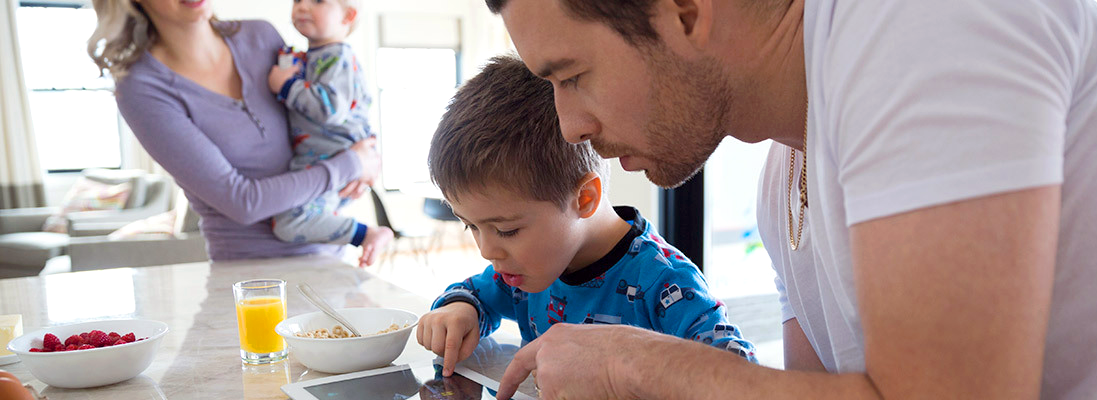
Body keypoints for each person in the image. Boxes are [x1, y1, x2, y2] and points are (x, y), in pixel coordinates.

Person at [486, 0, 1097, 399]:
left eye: (571, 76)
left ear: (683, 9)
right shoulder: (781, 183)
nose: (569, 126)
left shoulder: (926, 21)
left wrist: (634, 367)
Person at [416, 55, 757, 378]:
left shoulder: (664, 283)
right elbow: (474, 294)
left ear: (585, 198)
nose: (487, 250)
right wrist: (458, 310)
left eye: (506, 230)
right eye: (471, 226)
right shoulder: (527, 273)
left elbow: (738, 369)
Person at [87, 0, 382, 262]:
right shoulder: (141, 88)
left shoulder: (260, 37)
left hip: (329, 259)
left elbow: (330, 107)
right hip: (249, 278)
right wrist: (352, 163)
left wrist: (369, 152)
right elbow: (244, 203)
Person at [265, 0, 393, 267]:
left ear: (349, 15)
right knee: (306, 216)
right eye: (297, 0)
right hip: (324, 153)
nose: (302, 7)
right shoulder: (317, 55)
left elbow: (330, 109)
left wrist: (287, 85)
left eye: (318, 1)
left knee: (289, 222)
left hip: (332, 152)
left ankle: (367, 234)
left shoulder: (338, 56)